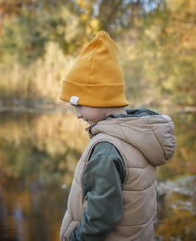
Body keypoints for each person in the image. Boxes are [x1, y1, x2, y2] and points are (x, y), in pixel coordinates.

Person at [59, 31, 176, 241]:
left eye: (79, 105)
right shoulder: (139, 134)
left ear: (100, 98)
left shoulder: (107, 150)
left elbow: (100, 218)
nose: (77, 115)